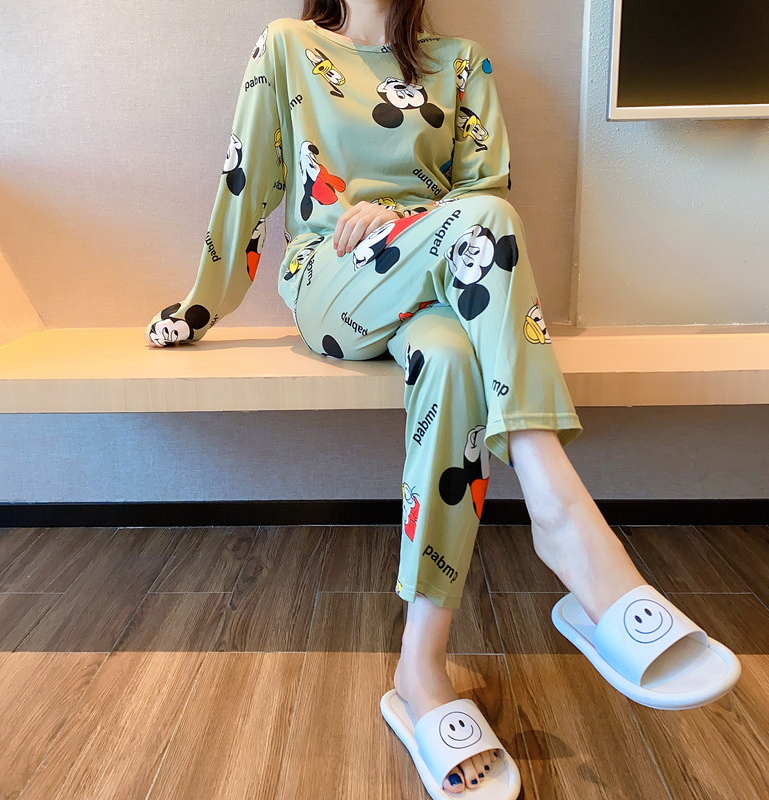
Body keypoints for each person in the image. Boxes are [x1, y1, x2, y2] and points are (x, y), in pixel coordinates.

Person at [144, 1, 740, 795]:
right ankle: (568, 526)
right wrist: (200, 307)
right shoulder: (288, 47)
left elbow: (484, 197)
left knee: (456, 358)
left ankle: (420, 669)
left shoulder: (461, 63)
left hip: (441, 288)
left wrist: (399, 215)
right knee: (483, 223)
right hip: (334, 277)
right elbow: (245, 181)